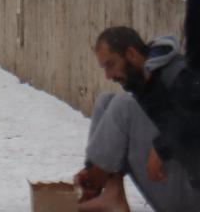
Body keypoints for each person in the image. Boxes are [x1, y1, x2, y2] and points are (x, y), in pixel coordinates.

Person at [72, 27, 200, 212]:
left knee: (124, 106)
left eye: (110, 65)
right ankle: (110, 193)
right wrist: (92, 166)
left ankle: (93, 184)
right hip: (179, 184)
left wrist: (162, 147)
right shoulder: (145, 78)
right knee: (106, 101)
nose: (108, 75)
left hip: (193, 191)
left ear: (131, 54)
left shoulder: (179, 73)